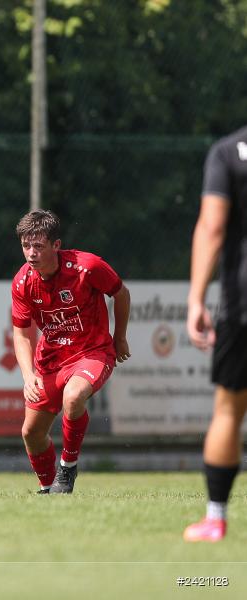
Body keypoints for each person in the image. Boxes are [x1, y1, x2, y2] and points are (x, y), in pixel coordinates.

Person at [11, 209, 130, 494]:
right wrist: (28, 376)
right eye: (26, 246)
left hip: (93, 352)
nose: (31, 253)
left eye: (38, 246)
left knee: (74, 397)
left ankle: (67, 467)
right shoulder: (23, 282)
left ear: (56, 245)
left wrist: (120, 338)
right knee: (31, 433)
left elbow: (121, 293)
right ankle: (49, 488)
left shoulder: (87, 267)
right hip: (51, 360)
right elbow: (21, 332)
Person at [183, 125, 247, 542]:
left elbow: (212, 228)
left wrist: (196, 299)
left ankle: (215, 519)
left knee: (228, 410)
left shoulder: (229, 153)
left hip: (243, 303)